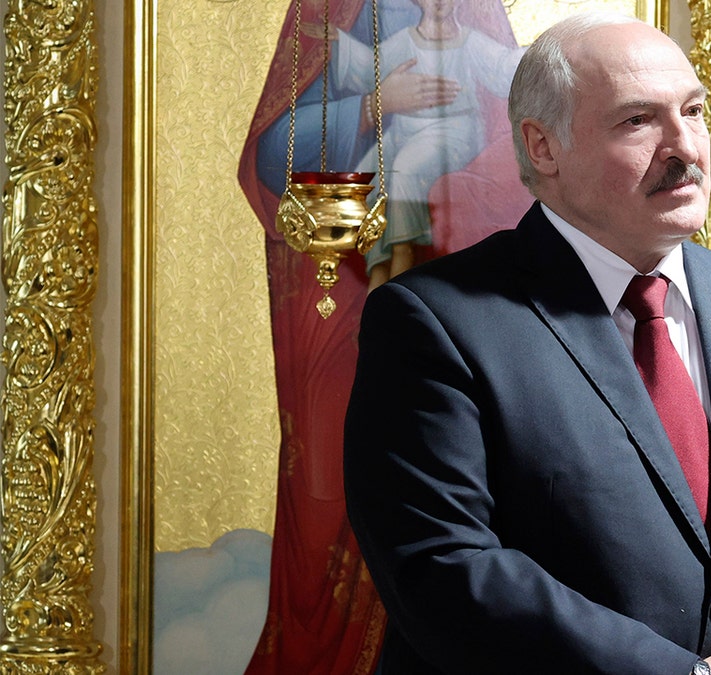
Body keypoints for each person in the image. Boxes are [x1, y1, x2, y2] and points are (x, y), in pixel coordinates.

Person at [344, 11, 711, 675]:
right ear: (543, 146)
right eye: (639, 120)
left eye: (695, 111)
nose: (686, 147)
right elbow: (443, 568)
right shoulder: (431, 323)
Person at [236, 0, 524, 671]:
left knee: (444, 470)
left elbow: (522, 127)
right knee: (330, 476)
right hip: (338, 282)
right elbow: (275, 152)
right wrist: (372, 105)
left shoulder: (470, 8)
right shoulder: (327, 8)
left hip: (444, 281)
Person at [329, 0, 525, 286]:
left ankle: (401, 259)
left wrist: (533, 55)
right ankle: (379, 271)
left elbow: (502, 68)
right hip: (406, 131)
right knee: (367, 177)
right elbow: (370, 69)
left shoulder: (469, 42)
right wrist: (340, 42)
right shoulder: (406, 41)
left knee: (405, 169)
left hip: (453, 129)